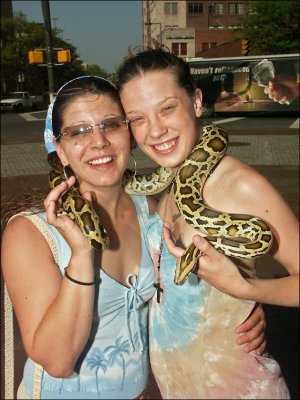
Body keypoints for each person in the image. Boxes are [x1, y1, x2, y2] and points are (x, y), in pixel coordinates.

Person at [1, 75, 265, 400]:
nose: (99, 142)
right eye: (79, 131)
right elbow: (57, 360)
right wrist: (83, 256)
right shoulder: (29, 233)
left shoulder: (150, 211)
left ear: (129, 135)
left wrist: (240, 309)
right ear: (60, 150)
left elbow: (186, 285)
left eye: (111, 124)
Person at [117, 48, 299, 399]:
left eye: (167, 108)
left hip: (238, 387)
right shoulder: (174, 182)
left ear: (196, 101)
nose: (155, 130)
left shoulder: (240, 185)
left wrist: (250, 291)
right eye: (138, 119)